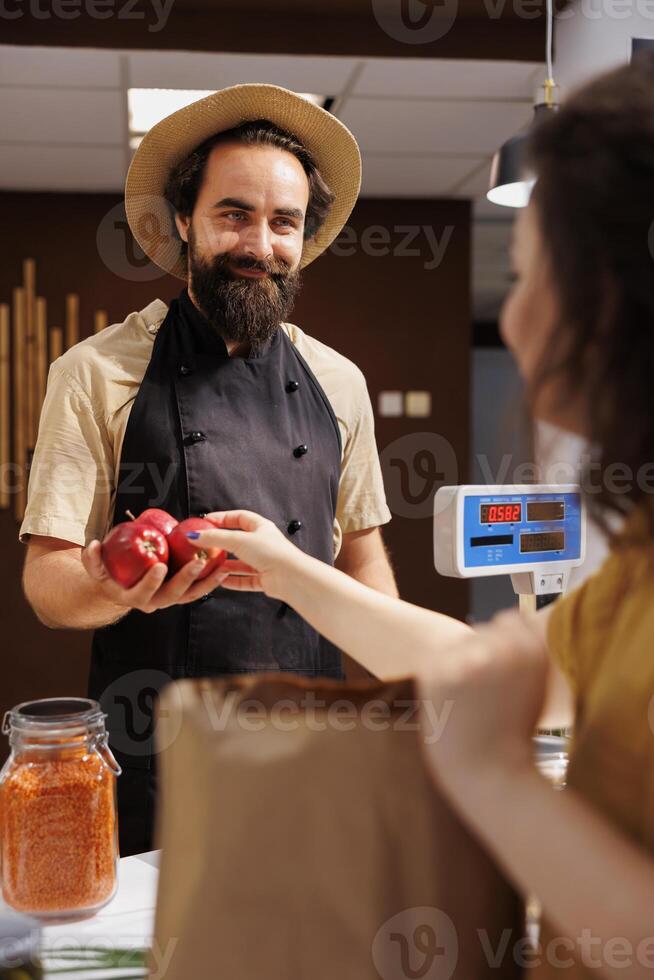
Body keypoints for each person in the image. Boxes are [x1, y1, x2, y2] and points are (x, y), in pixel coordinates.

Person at [189, 55, 654, 978]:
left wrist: (494, 778)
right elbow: (479, 663)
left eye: (527, 278)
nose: (514, 321)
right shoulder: (635, 569)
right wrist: (283, 565)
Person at [20, 85, 396, 855]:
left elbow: (366, 568)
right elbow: (47, 586)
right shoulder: (95, 372)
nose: (260, 243)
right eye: (234, 214)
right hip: (160, 751)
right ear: (185, 221)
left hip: (312, 742)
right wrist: (105, 582)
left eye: (283, 221)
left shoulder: (340, 383)